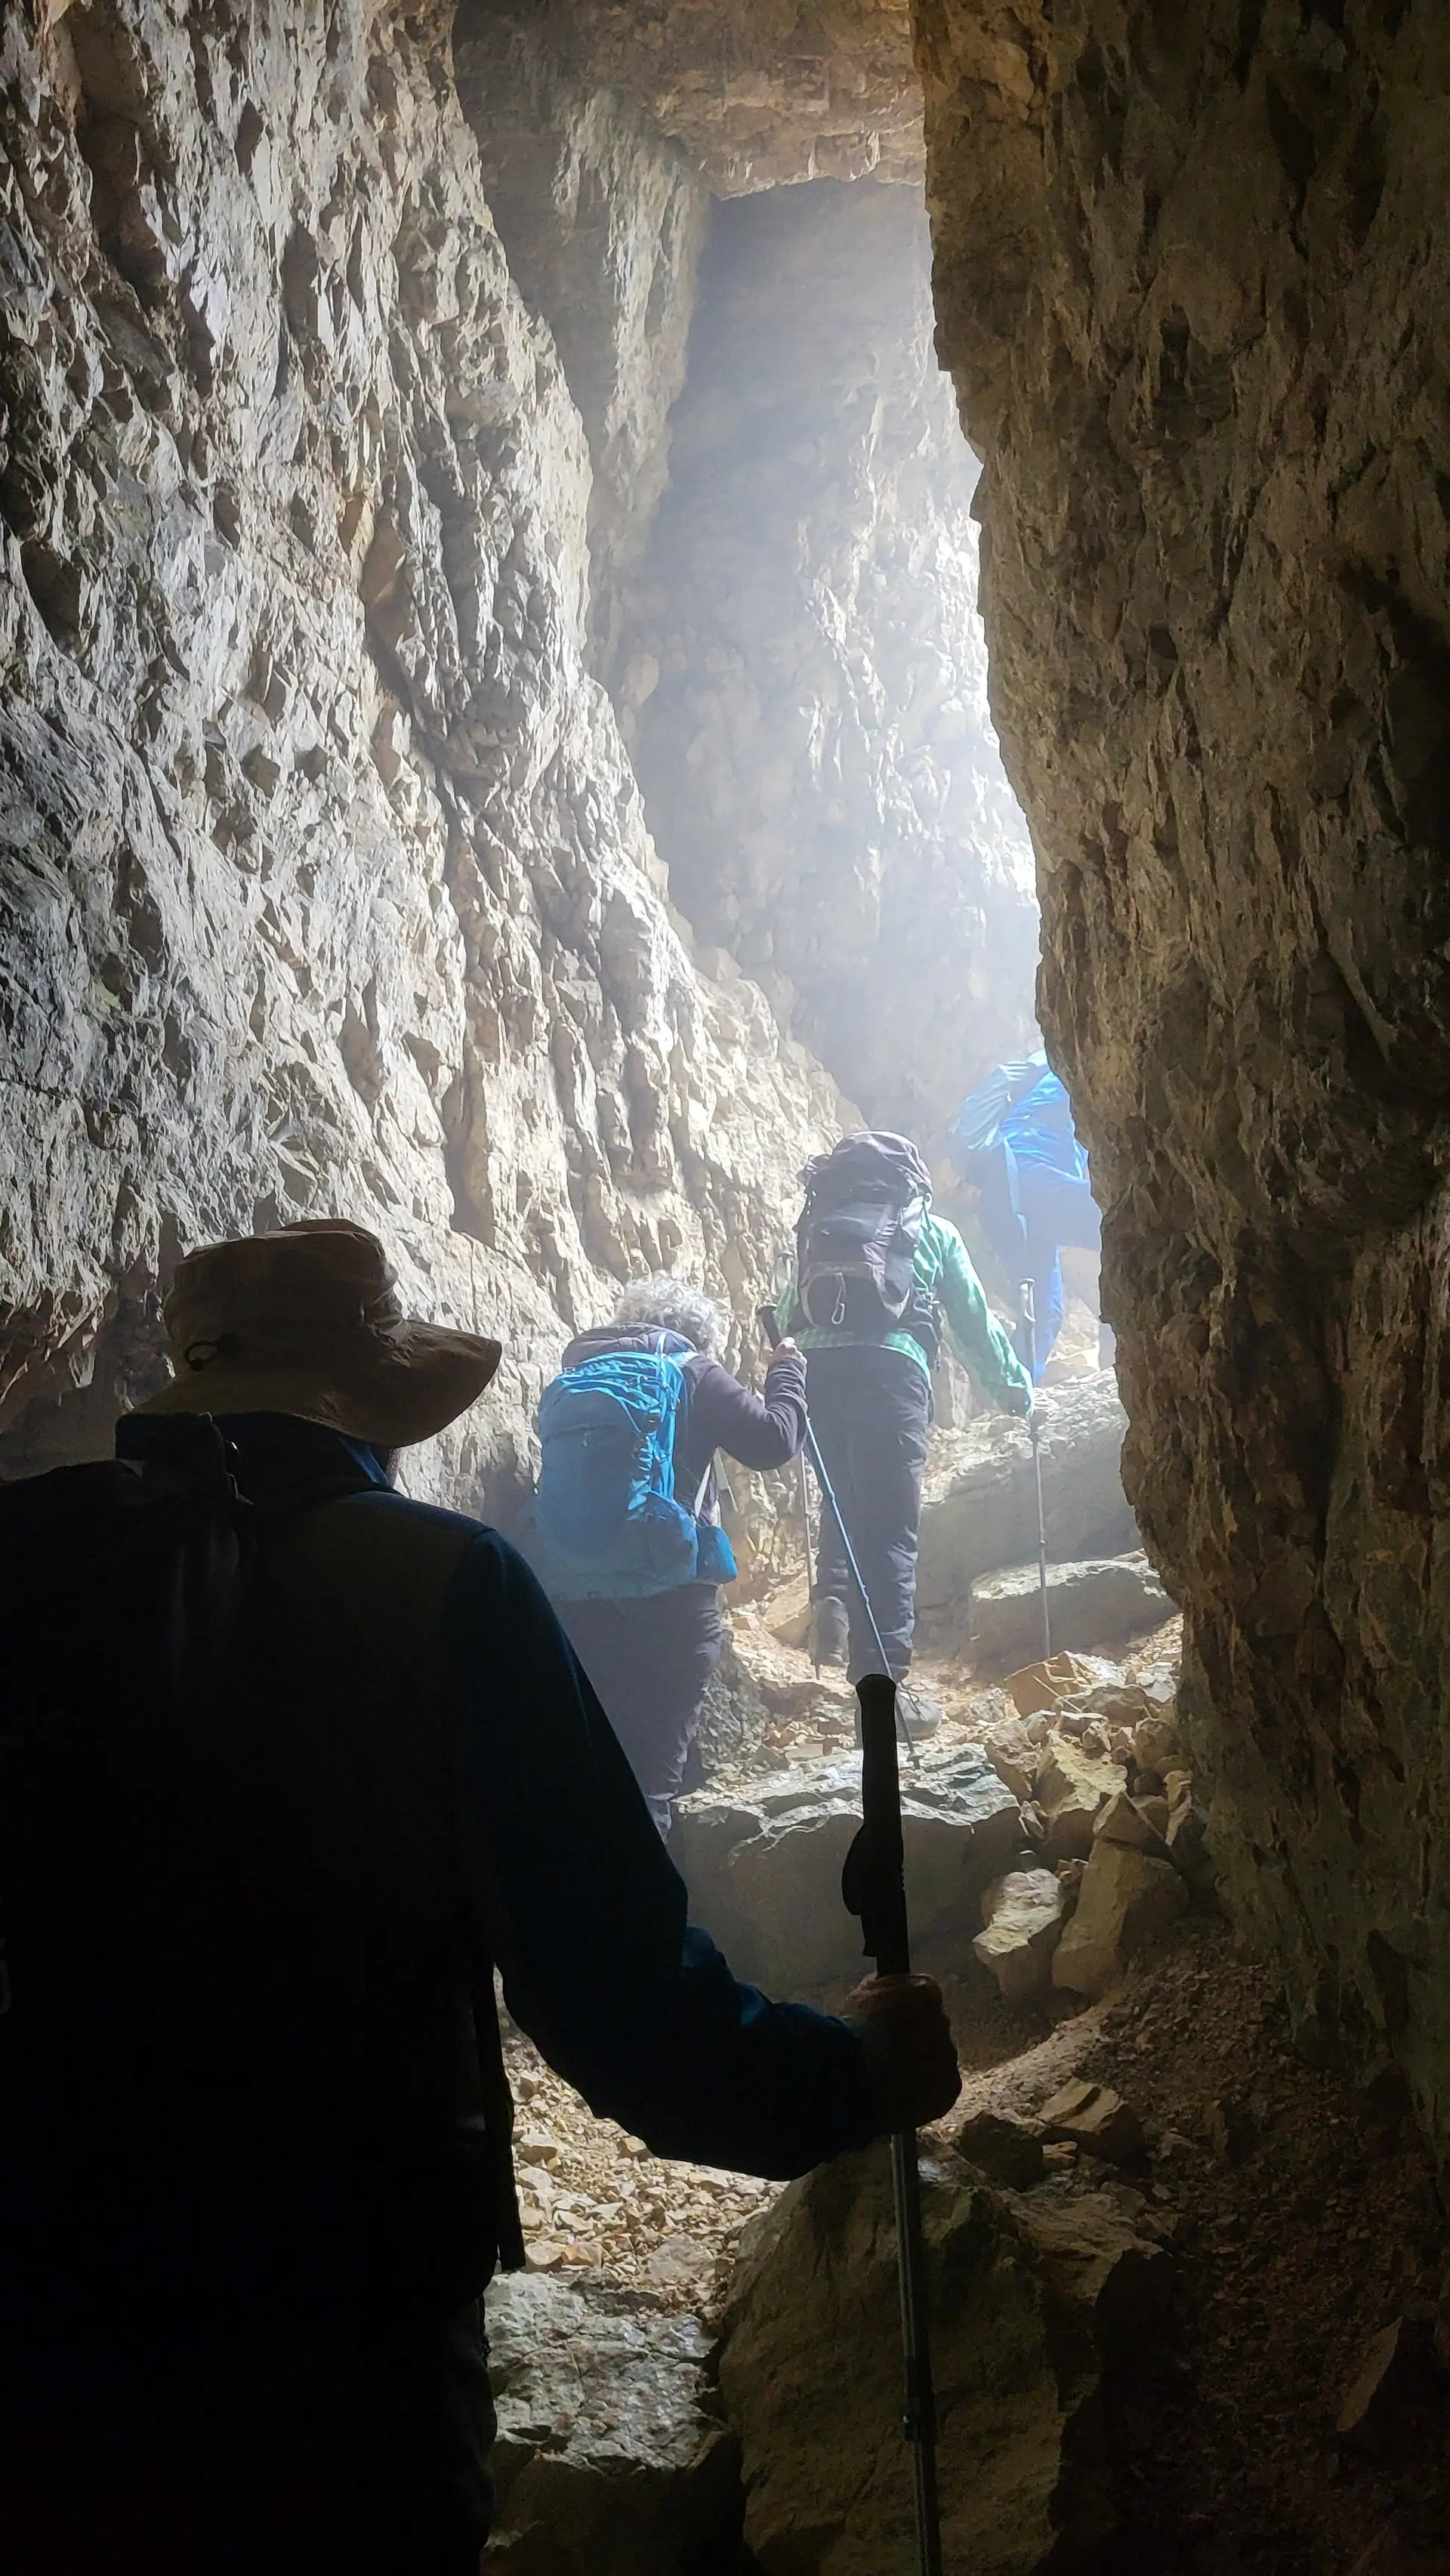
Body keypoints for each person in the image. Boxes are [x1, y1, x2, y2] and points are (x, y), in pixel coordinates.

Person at [0, 1219, 958, 2576]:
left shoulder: (28, 1561)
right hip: (348, 2296)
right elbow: (623, 2014)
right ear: (367, 1407)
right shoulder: (446, 1583)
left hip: (49, 2279)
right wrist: (849, 2071)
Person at [527, 1274, 807, 1835]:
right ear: (698, 1337)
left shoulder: (576, 1375)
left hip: (573, 1598)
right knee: (649, 1783)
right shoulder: (693, 1371)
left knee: (589, 1772)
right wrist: (788, 1371)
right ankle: (647, 1913)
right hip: (670, 1604)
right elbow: (774, 1441)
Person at [777, 1132, 1032, 1716]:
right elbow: (973, 1323)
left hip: (819, 1373)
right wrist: (1018, 1393)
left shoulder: (818, 1231)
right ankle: (884, 1688)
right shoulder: (929, 1231)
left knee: (842, 1501)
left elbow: (788, 1310)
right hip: (893, 1373)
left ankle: (835, 1600)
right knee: (890, 1527)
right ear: (912, 1183)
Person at [953, 1057, 1106, 1379]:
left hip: (1007, 1198)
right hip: (1023, 1173)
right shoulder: (1061, 1070)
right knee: (1116, 1220)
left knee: (1044, 1313)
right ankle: (1123, 1358)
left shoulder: (1042, 1103)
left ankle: (1016, 1394)